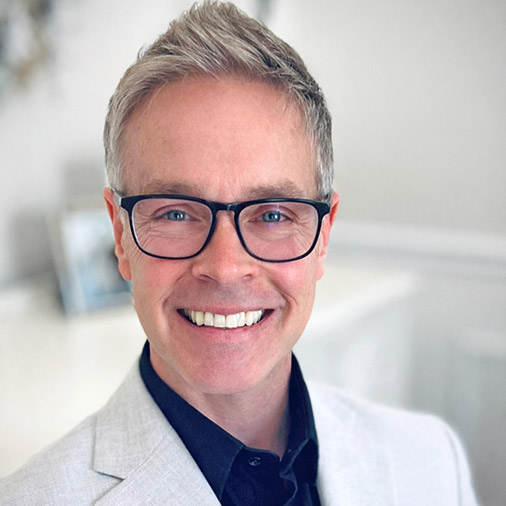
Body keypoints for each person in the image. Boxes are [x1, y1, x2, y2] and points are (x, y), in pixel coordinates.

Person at [0, 2, 478, 505]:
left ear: (323, 237)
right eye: (176, 213)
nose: (225, 268)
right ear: (120, 234)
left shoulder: (431, 461)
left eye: (272, 214)